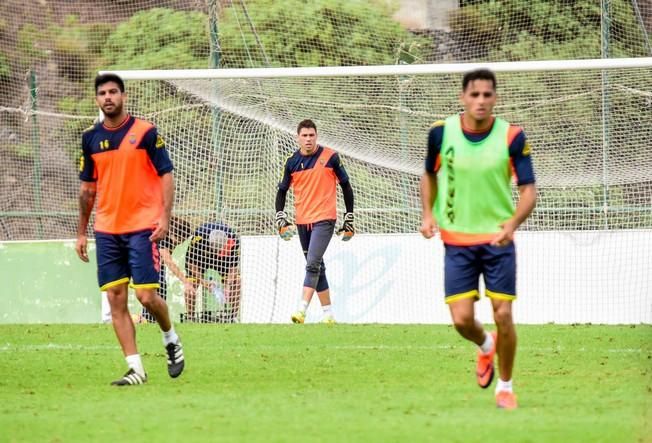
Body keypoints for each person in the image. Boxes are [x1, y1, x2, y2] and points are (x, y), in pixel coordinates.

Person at [419, 69, 537, 410]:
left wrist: (513, 223)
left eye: (487, 95)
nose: (481, 101)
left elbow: (529, 190)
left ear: (495, 98)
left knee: (503, 314)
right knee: (461, 320)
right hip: (456, 240)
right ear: (463, 98)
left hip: (498, 241)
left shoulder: (512, 137)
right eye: (474, 95)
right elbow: (429, 173)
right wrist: (428, 214)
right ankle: (486, 346)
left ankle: (506, 386)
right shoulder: (441, 134)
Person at [76, 73, 185, 386]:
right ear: (97, 100)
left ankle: (170, 338)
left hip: (143, 226)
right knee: (115, 298)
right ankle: (136, 368)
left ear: (123, 96)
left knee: (147, 296)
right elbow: (87, 190)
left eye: (113, 92)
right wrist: (82, 231)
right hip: (107, 229)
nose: (108, 97)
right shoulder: (90, 139)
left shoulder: (146, 132)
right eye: (102, 93)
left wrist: (165, 217)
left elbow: (166, 175)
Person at [275, 119, 355, 324]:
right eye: (304, 135)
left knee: (312, 265)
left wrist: (349, 217)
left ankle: (301, 310)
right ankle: (328, 314)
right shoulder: (291, 161)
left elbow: (346, 186)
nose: (308, 139)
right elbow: (282, 191)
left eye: (311, 135)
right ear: (298, 137)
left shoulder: (330, 157)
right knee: (318, 267)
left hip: (325, 219)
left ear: (316, 136)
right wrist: (280, 217)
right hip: (302, 222)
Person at [182, 221, 241, 323]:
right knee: (190, 283)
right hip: (200, 259)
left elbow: (233, 267)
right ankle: (190, 318)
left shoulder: (233, 239)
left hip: (223, 260)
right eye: (214, 249)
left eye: (219, 249)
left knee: (236, 281)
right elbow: (192, 264)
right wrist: (204, 282)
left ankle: (233, 317)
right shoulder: (199, 237)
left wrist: (228, 285)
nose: (216, 252)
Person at [139, 216, 194, 323]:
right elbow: (168, 261)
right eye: (181, 239)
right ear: (174, 234)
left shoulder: (170, 236)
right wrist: (185, 281)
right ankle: (144, 320)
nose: (181, 242)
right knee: (154, 294)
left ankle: (152, 321)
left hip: (156, 267)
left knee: (161, 292)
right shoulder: (163, 237)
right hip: (147, 265)